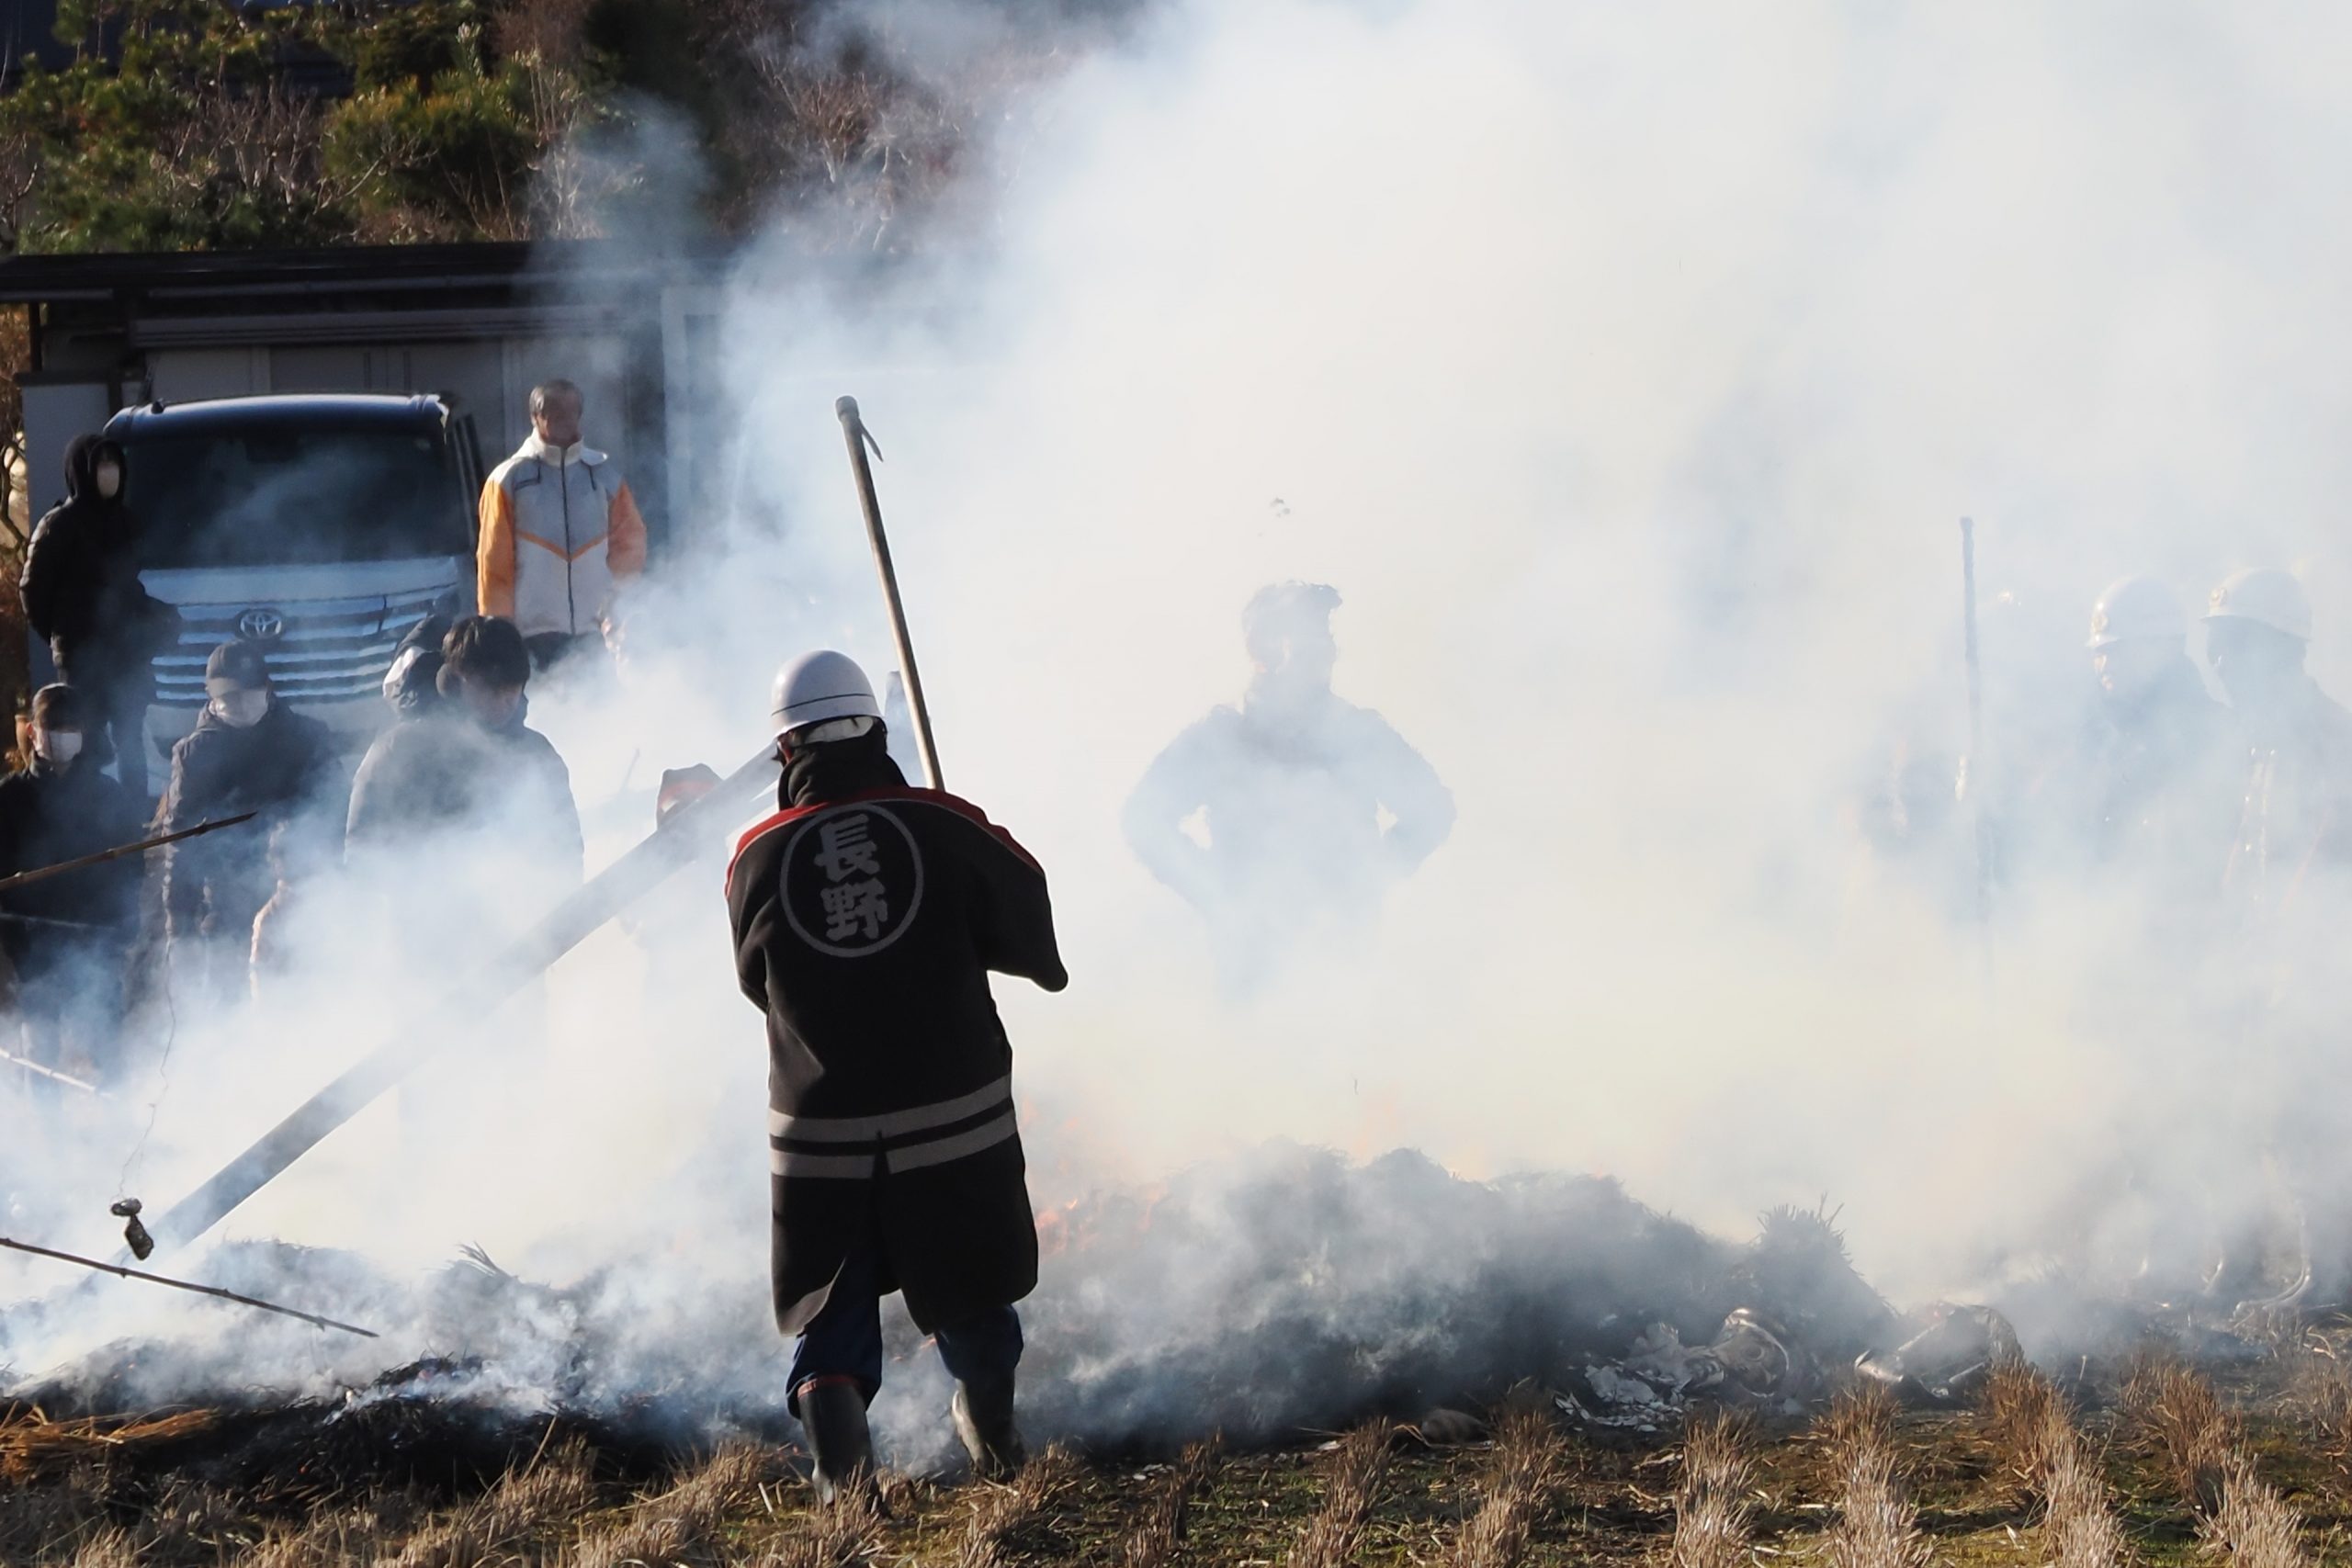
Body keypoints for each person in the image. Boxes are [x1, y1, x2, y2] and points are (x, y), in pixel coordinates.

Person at [727, 650, 1067, 1501]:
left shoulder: (755, 857)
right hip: (951, 1113)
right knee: (971, 1282)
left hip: (821, 1130)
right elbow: (1027, 909)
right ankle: (993, 1433)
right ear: (876, 732)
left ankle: (844, 1489)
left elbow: (755, 980)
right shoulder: (944, 822)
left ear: (785, 751)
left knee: (831, 1307)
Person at [1123, 581, 1454, 994]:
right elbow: (1143, 819)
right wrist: (1216, 893)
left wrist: (1367, 878)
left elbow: (1433, 811)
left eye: (1325, 633)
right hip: (1249, 964)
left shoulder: (1357, 732)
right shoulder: (1224, 736)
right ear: (1261, 649)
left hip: (1343, 961)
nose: (1324, 648)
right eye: (1305, 633)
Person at [345, 615, 583, 888]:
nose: (505, 701)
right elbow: (363, 855)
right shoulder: (398, 752)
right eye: (492, 689)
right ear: (458, 680)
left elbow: (565, 848)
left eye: (512, 689)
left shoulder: (536, 755)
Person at [160, 642, 334, 1009]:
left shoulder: (306, 738)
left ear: (267, 689)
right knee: (228, 1004)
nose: (241, 703)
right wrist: (180, 927)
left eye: (249, 692)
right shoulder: (196, 753)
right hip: (227, 903)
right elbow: (181, 841)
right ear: (212, 698)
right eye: (230, 697)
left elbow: (335, 810)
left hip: (301, 898)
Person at [18, 434, 181, 795]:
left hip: (127, 651)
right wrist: (63, 636)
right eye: (101, 464)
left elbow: (130, 586)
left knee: (131, 736)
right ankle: (87, 813)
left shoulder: (126, 521)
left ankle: (131, 812)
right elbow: (33, 590)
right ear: (83, 470)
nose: (110, 473)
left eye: (114, 463)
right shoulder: (59, 524)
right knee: (84, 737)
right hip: (83, 657)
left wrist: (158, 618)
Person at [0, 685, 146, 1083]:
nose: (62, 736)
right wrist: (14, 944)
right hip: (32, 950)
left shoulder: (109, 795)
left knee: (105, 1048)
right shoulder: (9, 797)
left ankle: (115, 1115)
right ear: (33, 731)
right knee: (41, 1055)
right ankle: (47, 1121)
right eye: (53, 727)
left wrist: (123, 928)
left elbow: (131, 870)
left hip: (97, 942)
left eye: (70, 728)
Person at [2080, 576, 2240, 888]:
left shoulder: (2218, 735)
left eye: (2117, 649)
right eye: (2099, 652)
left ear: (2163, 648)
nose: (2105, 665)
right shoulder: (2103, 743)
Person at [476, 379, 646, 672]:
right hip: (529, 636)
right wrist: (499, 635)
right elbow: (493, 565)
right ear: (535, 417)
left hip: (596, 634)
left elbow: (630, 544)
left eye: (571, 412)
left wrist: (617, 603)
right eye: (553, 412)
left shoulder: (604, 475)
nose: (564, 419)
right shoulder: (508, 479)